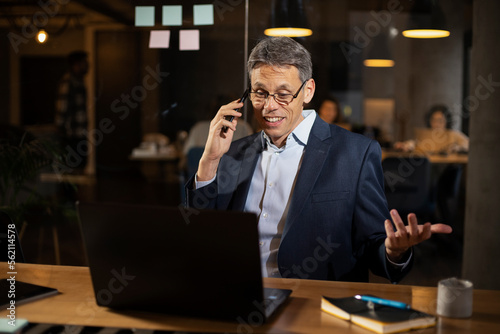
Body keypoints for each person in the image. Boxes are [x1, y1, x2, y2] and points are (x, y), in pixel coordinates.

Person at [185, 37, 451, 282]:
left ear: (308, 91)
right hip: (236, 293)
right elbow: (200, 235)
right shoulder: (232, 151)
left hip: (313, 304)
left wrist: (394, 251)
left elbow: (373, 248)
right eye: (260, 92)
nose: (269, 106)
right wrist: (209, 160)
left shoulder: (355, 154)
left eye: (283, 94)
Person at [55, 50, 89, 171]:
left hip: (80, 132)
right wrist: (60, 127)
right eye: (84, 62)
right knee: (71, 167)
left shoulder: (79, 81)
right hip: (71, 134)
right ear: (77, 64)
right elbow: (62, 106)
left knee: (80, 165)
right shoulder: (68, 81)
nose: (87, 65)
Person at [394, 105, 469, 153]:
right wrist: (405, 145)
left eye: (440, 121)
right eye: (433, 120)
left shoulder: (453, 134)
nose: (436, 124)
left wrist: (458, 148)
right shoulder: (425, 135)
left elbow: (468, 144)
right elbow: (414, 143)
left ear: (446, 122)